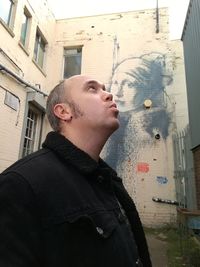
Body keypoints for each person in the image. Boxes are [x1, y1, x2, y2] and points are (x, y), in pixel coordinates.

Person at [0, 75, 152, 267]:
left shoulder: (107, 179)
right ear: (63, 111)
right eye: (92, 89)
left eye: (104, 88)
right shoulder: (20, 185)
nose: (108, 94)